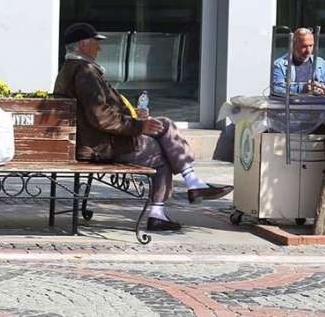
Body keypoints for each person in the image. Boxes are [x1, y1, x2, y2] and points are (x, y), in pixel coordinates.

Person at [53, 22, 233, 232]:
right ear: (83, 44)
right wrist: (139, 126)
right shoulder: (85, 72)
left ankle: (190, 185)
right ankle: (174, 198)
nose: (99, 48)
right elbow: (100, 118)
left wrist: (135, 117)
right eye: (96, 43)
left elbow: (98, 113)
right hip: (100, 146)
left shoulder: (74, 69)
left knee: (164, 125)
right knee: (163, 150)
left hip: (96, 141)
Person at [271, 28, 325, 96]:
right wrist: (303, 88)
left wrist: (324, 90)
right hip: (293, 105)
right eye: (304, 46)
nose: (308, 51)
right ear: (293, 45)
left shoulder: (322, 64)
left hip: (318, 104)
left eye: (311, 46)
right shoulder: (279, 65)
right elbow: (277, 89)